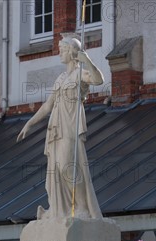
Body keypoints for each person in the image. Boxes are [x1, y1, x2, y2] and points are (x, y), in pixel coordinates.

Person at [17, 35, 104, 220]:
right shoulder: (61, 77)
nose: (59, 54)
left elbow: (98, 80)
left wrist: (87, 60)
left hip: (70, 126)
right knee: (55, 171)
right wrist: (30, 123)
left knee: (68, 166)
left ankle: (82, 208)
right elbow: (48, 105)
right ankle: (58, 210)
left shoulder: (80, 74)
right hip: (55, 129)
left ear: (72, 52)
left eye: (63, 50)